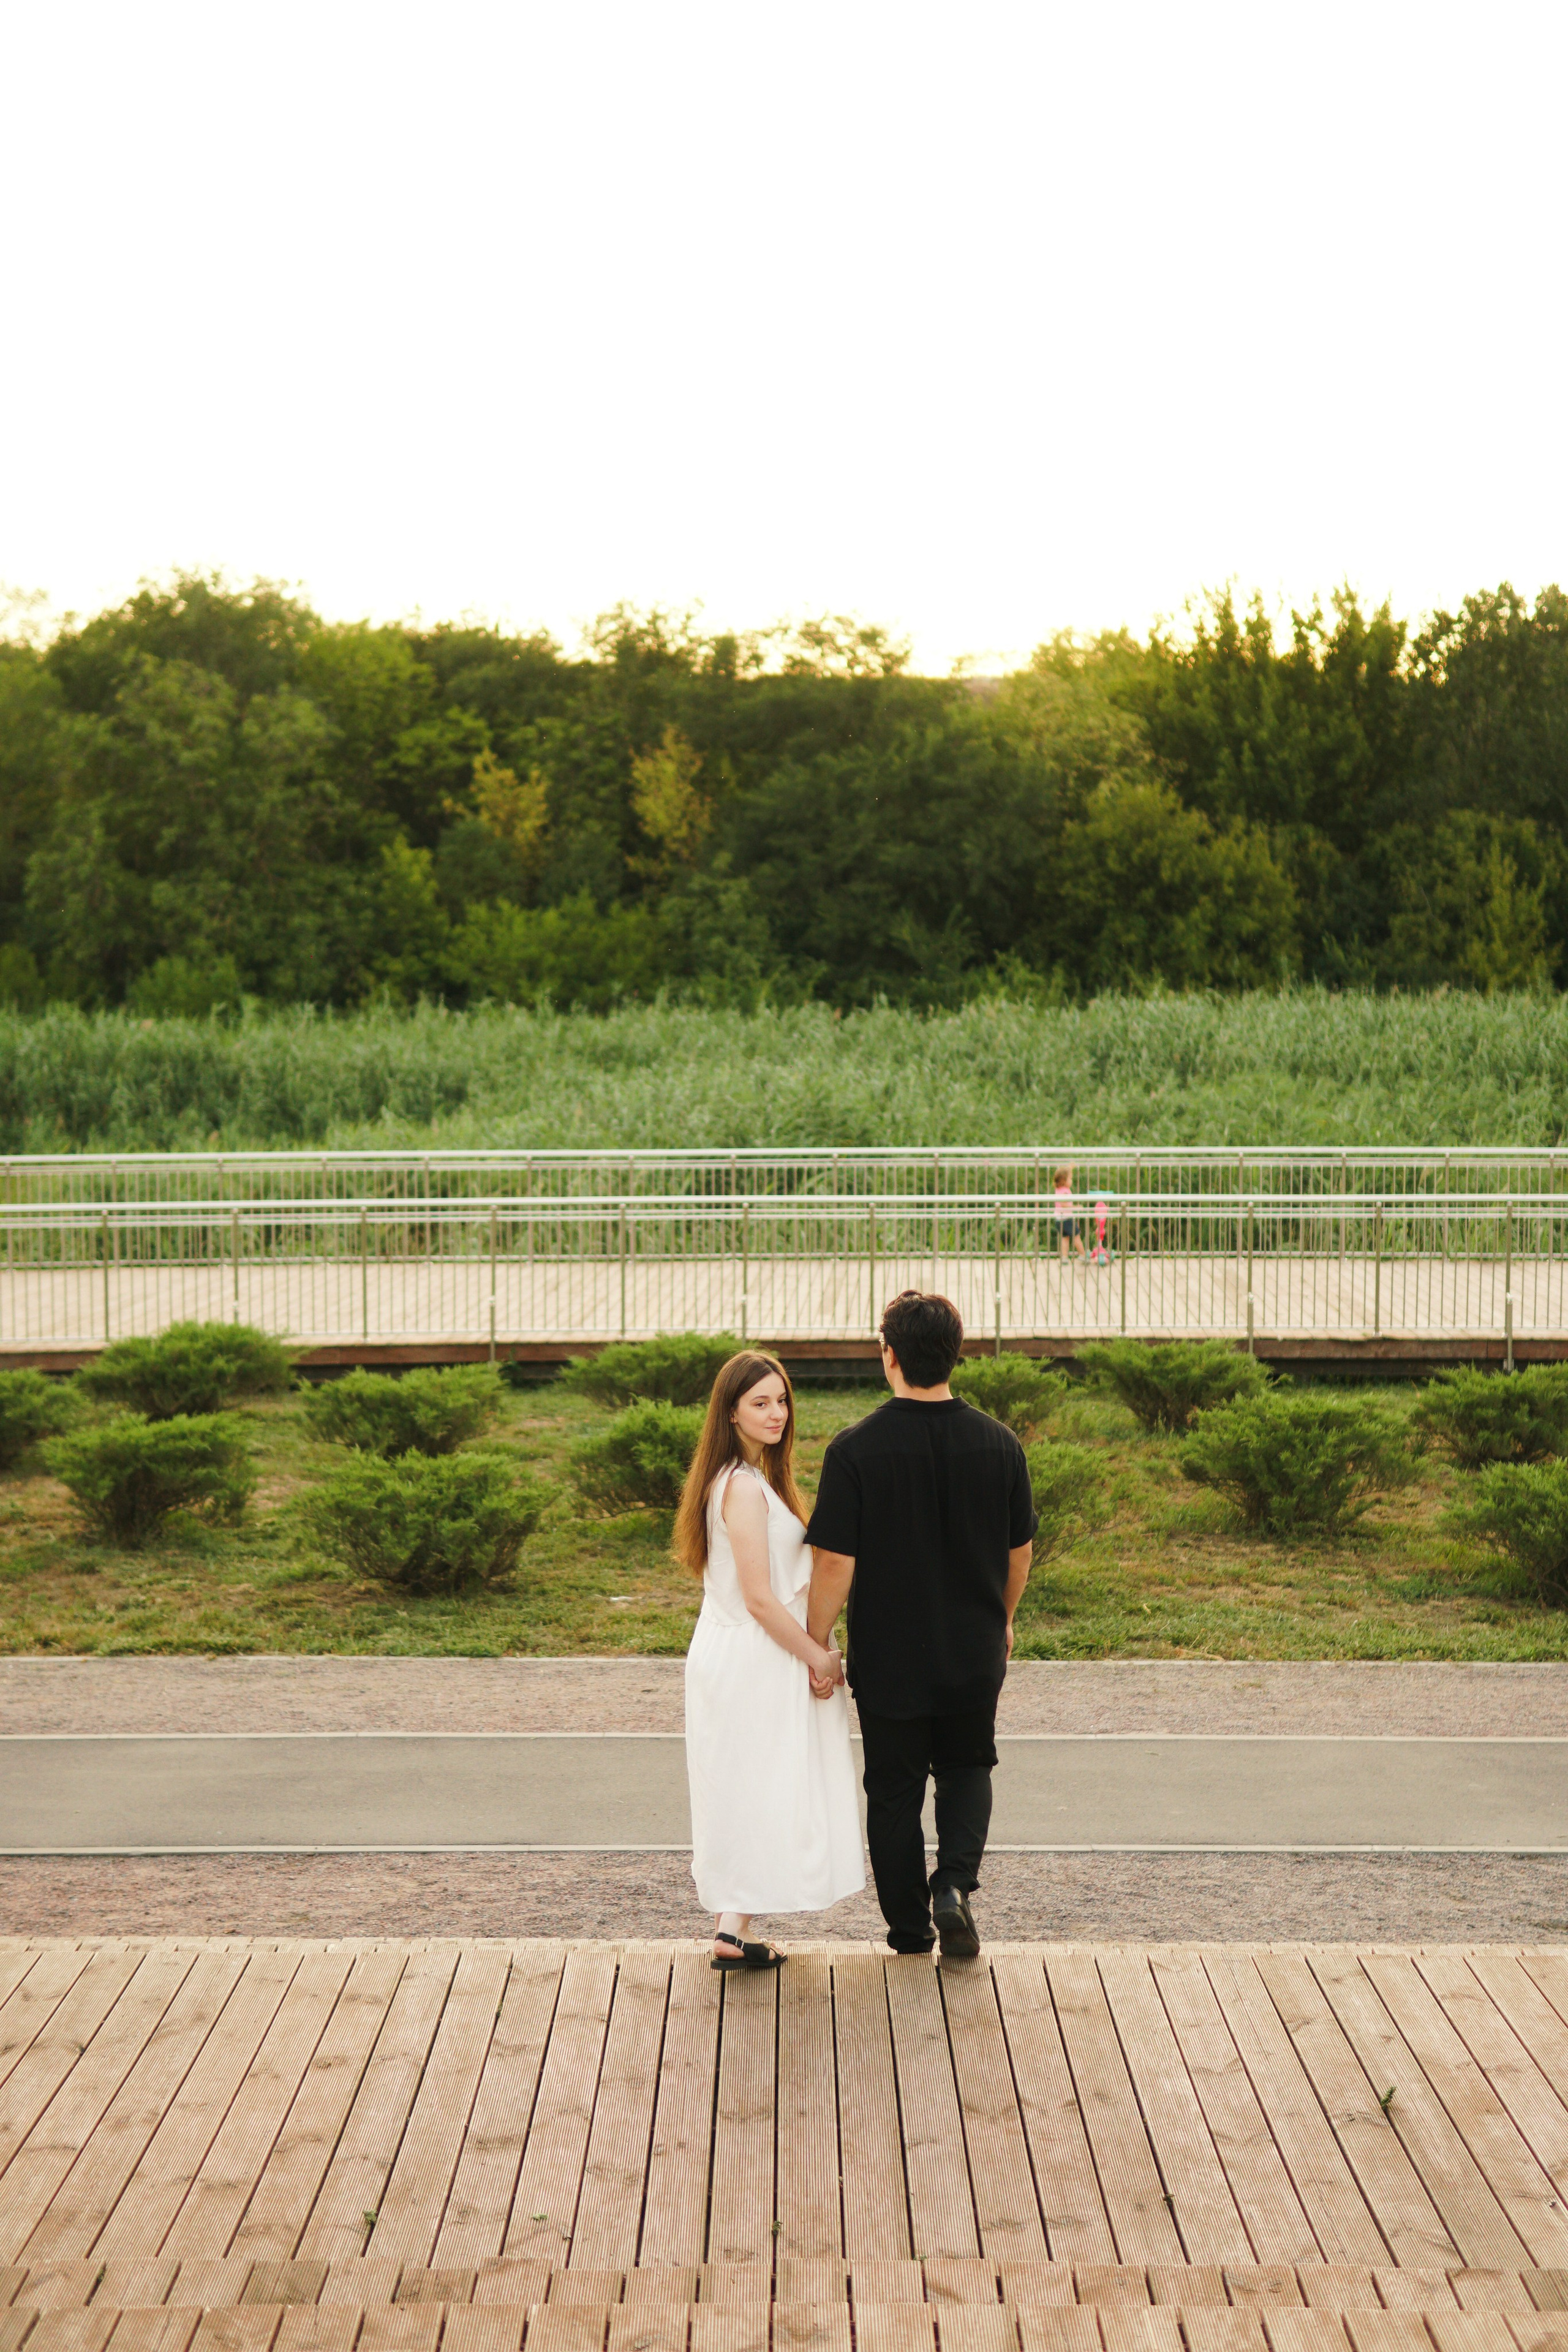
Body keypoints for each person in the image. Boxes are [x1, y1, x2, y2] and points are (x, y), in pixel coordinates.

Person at [805, 1292, 1036, 1959]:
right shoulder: (1000, 1444)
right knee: (968, 1766)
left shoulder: (855, 1451)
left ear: (889, 1356)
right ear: (954, 1355)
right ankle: (955, 1887)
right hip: (973, 1647)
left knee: (894, 1789)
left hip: (889, 1653)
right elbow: (1018, 1553)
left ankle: (908, 1929)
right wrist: (1005, 1619)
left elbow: (835, 1562)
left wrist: (818, 1641)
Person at [677, 1349, 865, 1969]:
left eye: (781, 1399)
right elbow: (759, 1598)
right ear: (729, 1413)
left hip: (746, 1651)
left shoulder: (750, 1481)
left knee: (752, 1786)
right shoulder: (742, 1488)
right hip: (750, 1657)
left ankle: (732, 1930)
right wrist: (819, 1656)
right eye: (759, 1403)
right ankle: (731, 1927)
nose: (776, 1412)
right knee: (754, 1786)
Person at [1055, 1166, 1086, 1262]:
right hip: (1067, 1218)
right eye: (1070, 1179)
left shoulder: (1058, 1190)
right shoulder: (1065, 1191)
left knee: (1065, 1238)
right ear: (1064, 1180)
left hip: (1059, 1218)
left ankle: (1064, 1257)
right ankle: (1083, 1255)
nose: (1071, 1181)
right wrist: (1076, 1207)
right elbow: (1064, 1204)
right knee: (1076, 1236)